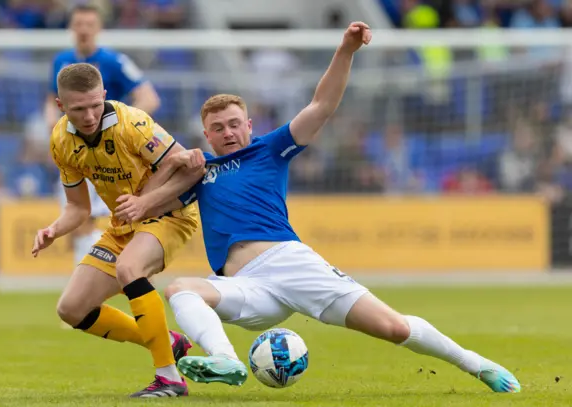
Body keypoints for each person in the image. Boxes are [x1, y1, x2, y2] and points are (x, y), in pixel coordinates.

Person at [114, 22, 522, 393]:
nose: (228, 132)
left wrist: (345, 49)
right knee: (181, 290)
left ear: (250, 125)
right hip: (245, 287)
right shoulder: (199, 173)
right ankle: (226, 359)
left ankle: (477, 365)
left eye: (235, 123)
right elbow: (146, 207)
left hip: (289, 263)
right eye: (218, 128)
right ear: (206, 133)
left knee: (392, 326)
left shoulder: (268, 150)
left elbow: (321, 106)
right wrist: (175, 166)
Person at [32, 62, 203, 398]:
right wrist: (54, 230)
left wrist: (146, 201)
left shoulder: (133, 123)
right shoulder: (61, 141)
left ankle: (169, 378)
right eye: (79, 109)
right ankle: (166, 342)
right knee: (71, 309)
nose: (90, 115)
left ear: (105, 95)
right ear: (60, 106)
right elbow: (78, 209)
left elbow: (191, 170)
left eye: (96, 105)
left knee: (129, 268)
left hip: (172, 214)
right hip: (125, 225)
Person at [45, 4, 161, 265]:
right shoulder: (61, 61)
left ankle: (98, 272)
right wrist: (51, 124)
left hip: (107, 155)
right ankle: (88, 277)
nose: (84, 30)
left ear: (99, 28)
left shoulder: (114, 61)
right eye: (79, 24)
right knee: (78, 216)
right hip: (75, 151)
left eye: (89, 24)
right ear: (71, 27)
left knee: (93, 218)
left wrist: (117, 126)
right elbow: (50, 100)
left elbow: (150, 98)